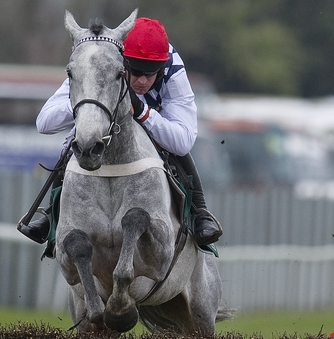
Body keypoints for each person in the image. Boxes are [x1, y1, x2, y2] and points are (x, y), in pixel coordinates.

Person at [18, 16, 222, 253]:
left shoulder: (172, 68)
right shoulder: (101, 58)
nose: (144, 81)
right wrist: (86, 100)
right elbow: (44, 123)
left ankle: (200, 214)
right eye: (136, 72)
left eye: (152, 73)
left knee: (176, 149)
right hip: (106, 117)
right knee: (76, 141)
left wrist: (144, 113)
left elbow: (183, 141)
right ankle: (49, 217)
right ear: (121, 62)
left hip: (154, 121)